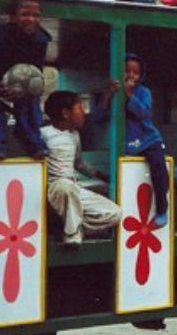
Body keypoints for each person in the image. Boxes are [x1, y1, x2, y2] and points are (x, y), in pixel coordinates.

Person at [98, 54, 170, 227]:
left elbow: (144, 114)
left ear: (141, 75)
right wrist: (107, 96)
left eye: (135, 72)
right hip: (126, 142)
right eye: (126, 71)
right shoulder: (111, 92)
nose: (130, 75)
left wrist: (129, 94)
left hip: (148, 139)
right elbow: (98, 117)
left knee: (159, 168)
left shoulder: (143, 92)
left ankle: (162, 211)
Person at [42, 90, 121, 245]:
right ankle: (72, 235)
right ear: (66, 113)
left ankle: (71, 228)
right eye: (79, 108)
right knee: (65, 186)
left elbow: (79, 163)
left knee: (115, 214)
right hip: (54, 188)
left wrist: (102, 175)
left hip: (73, 187)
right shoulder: (44, 134)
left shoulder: (75, 135)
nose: (83, 113)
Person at [0, 0, 50, 160]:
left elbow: (37, 70)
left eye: (35, 15)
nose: (31, 19)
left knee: (31, 102)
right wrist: (1, 86)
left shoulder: (41, 39)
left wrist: (28, 88)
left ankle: (34, 144)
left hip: (23, 81)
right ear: (13, 18)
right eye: (25, 14)